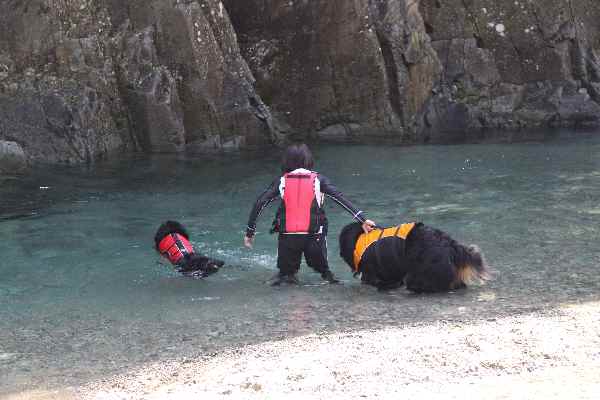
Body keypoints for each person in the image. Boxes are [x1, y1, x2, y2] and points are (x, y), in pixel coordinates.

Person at [243, 143, 375, 285]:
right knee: (325, 273)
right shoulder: (319, 180)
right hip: (314, 237)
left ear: (286, 161)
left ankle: (287, 293)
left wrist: (250, 232)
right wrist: (363, 219)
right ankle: (329, 280)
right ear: (309, 160)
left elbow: (259, 203)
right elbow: (340, 198)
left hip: (288, 239)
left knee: (286, 275)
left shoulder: (281, 181)